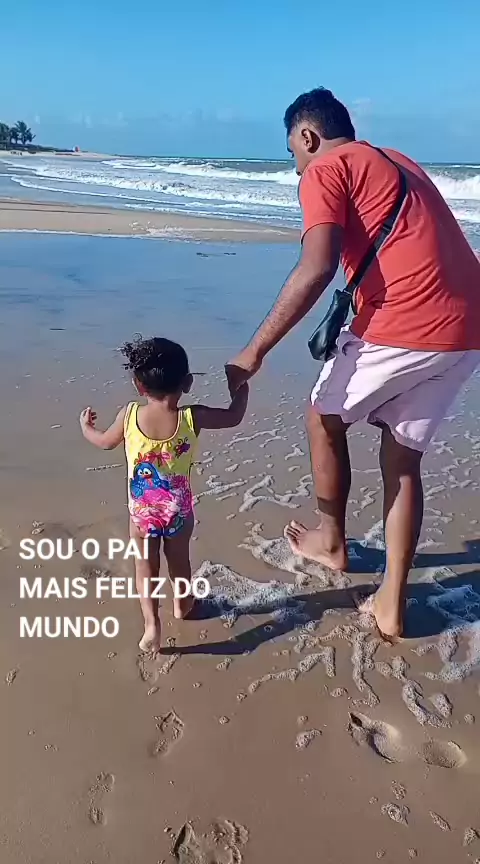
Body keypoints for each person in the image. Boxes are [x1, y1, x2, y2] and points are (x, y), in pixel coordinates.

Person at [226, 87, 480, 641]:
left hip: (407, 318)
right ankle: (391, 601)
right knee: (403, 458)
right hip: (467, 327)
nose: (295, 165)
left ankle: (332, 540)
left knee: (323, 417)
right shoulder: (396, 161)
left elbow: (316, 268)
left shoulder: (326, 169)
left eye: (293, 151)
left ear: (308, 135)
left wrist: (254, 351)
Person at [80, 335, 248, 654]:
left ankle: (151, 625)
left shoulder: (129, 414)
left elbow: (104, 442)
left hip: (142, 513)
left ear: (138, 385)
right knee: (180, 562)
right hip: (178, 512)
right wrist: (241, 387)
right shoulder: (192, 417)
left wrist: (86, 427)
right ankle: (183, 606)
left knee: (145, 566)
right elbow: (233, 417)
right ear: (187, 382)